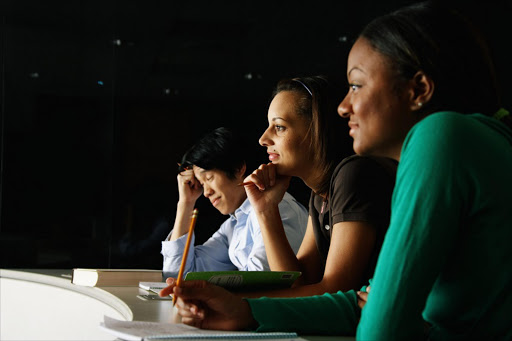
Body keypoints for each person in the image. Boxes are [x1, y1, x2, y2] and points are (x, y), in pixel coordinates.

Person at [162, 2, 512, 340]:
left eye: (356, 85)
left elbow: (380, 323)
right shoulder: (470, 144)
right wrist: (244, 311)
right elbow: (360, 305)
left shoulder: (440, 137)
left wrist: (383, 310)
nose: (344, 107)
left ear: (418, 89)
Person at [236, 75, 397, 297]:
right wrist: (266, 210)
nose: (264, 139)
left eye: (279, 127)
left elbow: (335, 290)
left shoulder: (352, 174)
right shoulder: (320, 194)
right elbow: (296, 282)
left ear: (318, 129)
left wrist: (237, 301)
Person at [161, 127, 308, 278]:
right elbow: (178, 275)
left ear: (238, 168)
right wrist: (185, 203)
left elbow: (263, 281)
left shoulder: (278, 208)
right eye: (201, 184)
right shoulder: (232, 225)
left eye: (209, 178)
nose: (206, 192)